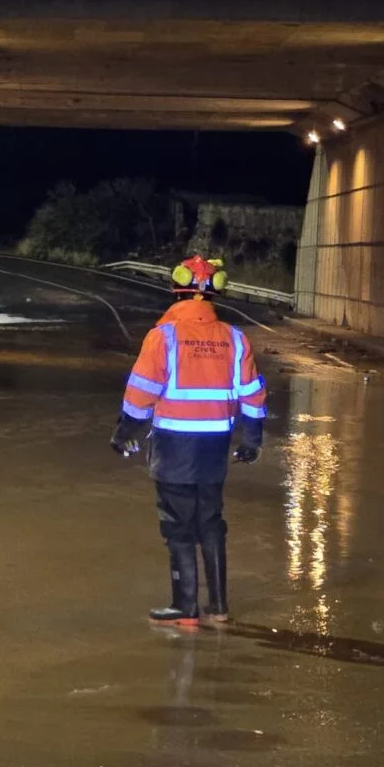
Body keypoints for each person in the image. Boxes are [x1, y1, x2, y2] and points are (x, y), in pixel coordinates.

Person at [110, 255, 267, 629]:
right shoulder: (235, 338)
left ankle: (185, 607)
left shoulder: (163, 336)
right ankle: (219, 607)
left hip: (176, 444)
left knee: (178, 524)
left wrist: (124, 433)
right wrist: (253, 439)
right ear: (215, 295)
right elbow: (253, 394)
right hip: (215, 446)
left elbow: (141, 392)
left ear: (176, 290)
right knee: (211, 521)